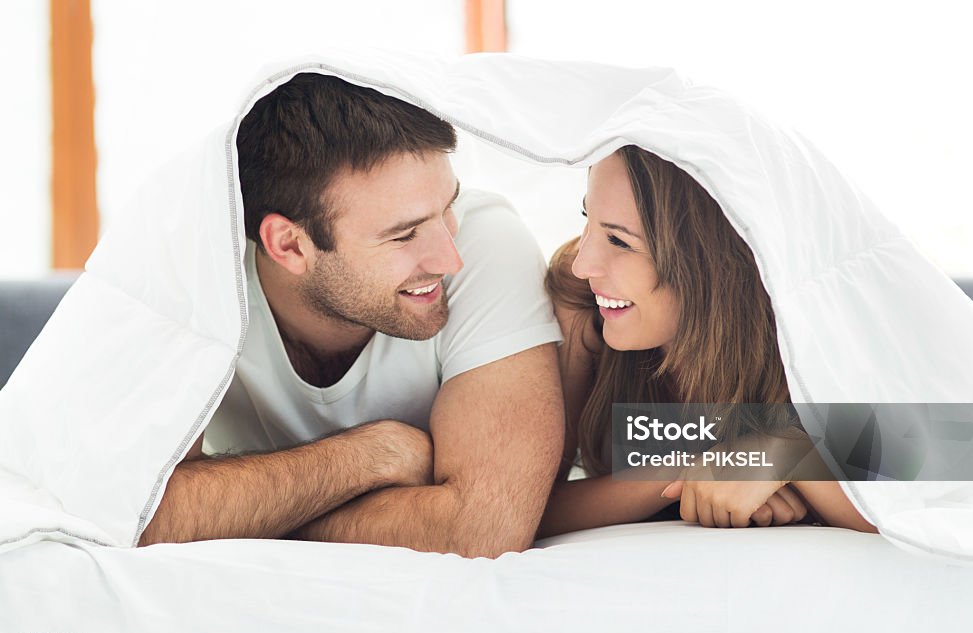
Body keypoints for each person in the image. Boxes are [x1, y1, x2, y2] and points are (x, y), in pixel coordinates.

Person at [138, 73, 565, 558]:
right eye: (403, 235)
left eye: (447, 207)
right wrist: (373, 455)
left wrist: (240, 513)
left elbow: (479, 530)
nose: (450, 259)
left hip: (646, 449)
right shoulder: (193, 277)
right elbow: (141, 515)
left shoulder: (487, 241)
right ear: (289, 245)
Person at [538, 145, 878, 537]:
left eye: (619, 241)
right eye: (588, 219)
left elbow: (928, 490)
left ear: (710, 262)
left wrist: (790, 454)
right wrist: (695, 466)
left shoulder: (810, 327)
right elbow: (523, 505)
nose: (584, 264)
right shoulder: (580, 301)